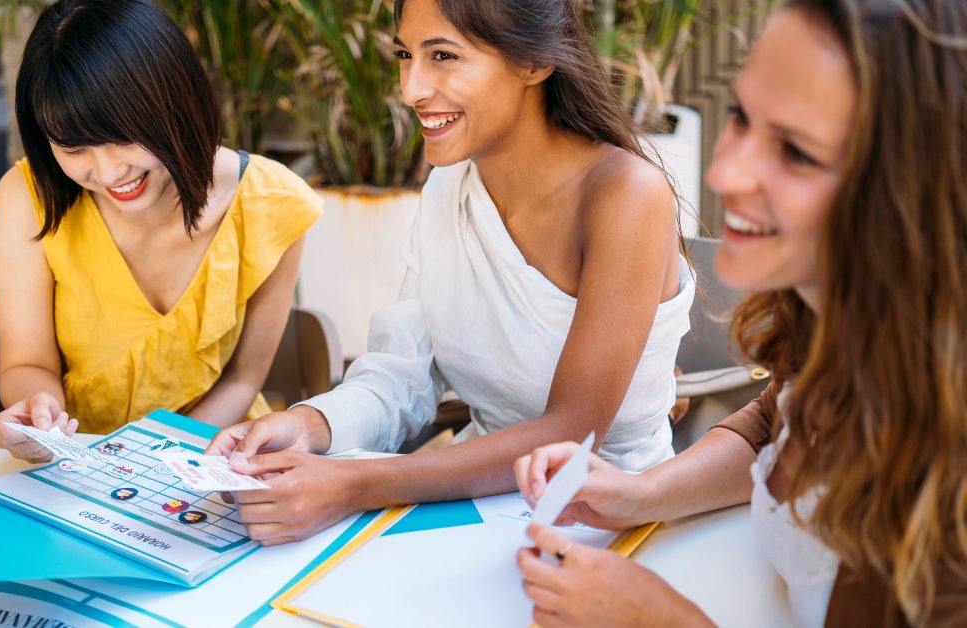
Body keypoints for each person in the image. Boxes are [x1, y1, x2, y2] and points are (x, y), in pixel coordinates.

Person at [514, 1, 967, 625]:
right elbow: (771, 426)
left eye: (798, 153)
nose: (725, 171)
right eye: (741, 117)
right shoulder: (837, 318)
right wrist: (640, 494)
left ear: (915, 191)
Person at [207, 0, 696, 545]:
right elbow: (402, 375)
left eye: (443, 55)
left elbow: (572, 434)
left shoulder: (628, 197)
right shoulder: (448, 186)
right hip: (477, 512)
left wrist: (352, 482)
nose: (411, 88)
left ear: (533, 62)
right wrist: (307, 425)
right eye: (404, 54)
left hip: (612, 523)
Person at [0, 0, 322, 462]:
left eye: (121, 135)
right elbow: (29, 364)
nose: (107, 173)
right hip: (77, 462)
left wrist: (155, 461)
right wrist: (38, 414)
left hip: (214, 452)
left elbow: (243, 380)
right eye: (74, 147)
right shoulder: (28, 197)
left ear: (174, 99)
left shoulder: (273, 203)